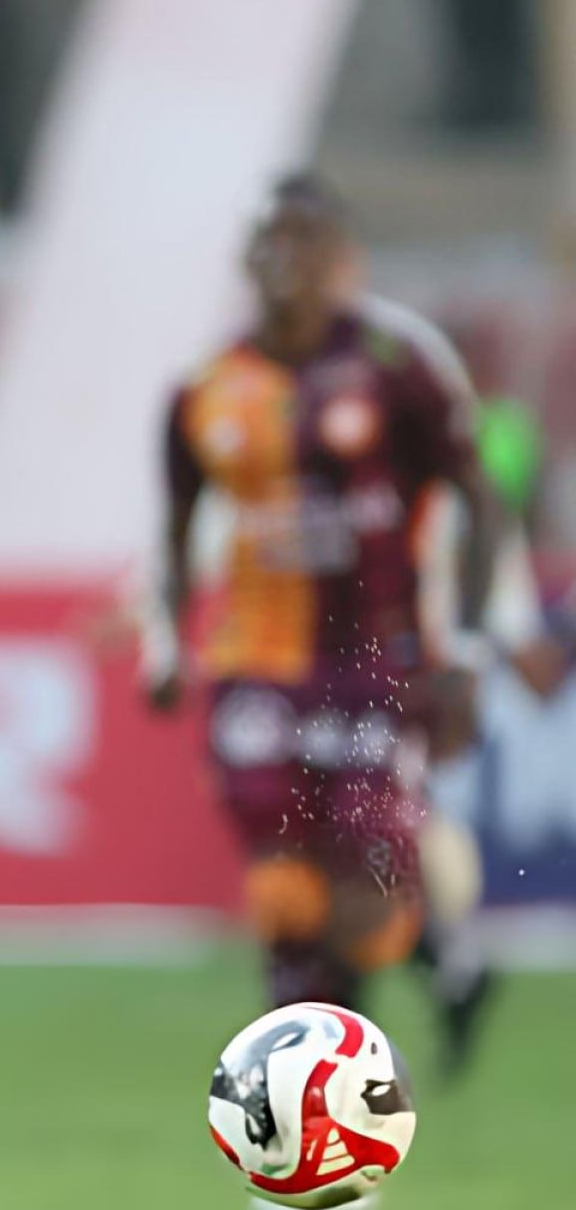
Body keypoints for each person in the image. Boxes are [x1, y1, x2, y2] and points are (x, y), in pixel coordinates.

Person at [147, 176, 499, 1020]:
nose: (285, 263)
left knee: (365, 902)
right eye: (270, 244)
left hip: (376, 659)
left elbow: (477, 499)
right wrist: (165, 643)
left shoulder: (394, 365)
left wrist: (470, 650)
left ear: (339, 260)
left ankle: (417, 956)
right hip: (255, 664)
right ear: (245, 260)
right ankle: (317, 1060)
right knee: (280, 893)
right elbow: (174, 529)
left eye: (305, 245)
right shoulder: (204, 387)